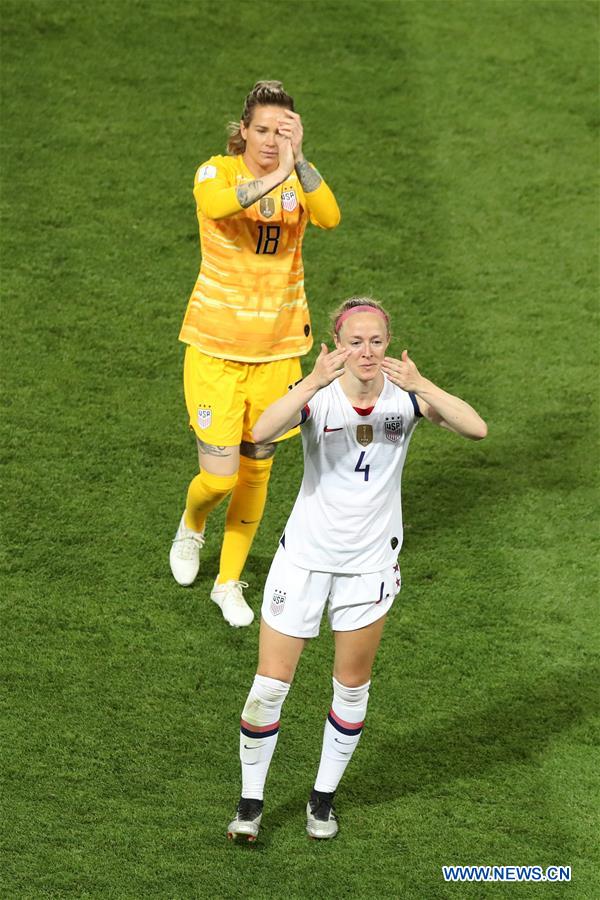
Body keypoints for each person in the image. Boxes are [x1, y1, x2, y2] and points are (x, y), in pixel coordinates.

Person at [226, 297, 487, 841]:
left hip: (369, 568)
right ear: (337, 345)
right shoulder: (318, 399)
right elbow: (262, 432)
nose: (365, 352)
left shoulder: (405, 399)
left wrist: (424, 385)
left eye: (375, 341)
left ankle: (321, 801)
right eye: (354, 342)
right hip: (302, 562)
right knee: (269, 688)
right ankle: (250, 805)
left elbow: (476, 428)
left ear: (388, 344)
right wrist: (311, 382)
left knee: (350, 687)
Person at [169, 81, 340, 628]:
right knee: (218, 478)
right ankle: (193, 524)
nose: (271, 139)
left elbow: (331, 216)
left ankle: (228, 581)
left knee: (257, 468)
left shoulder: (298, 178)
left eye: (282, 131)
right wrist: (275, 174)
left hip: (279, 352)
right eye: (263, 130)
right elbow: (219, 205)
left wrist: (301, 161)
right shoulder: (215, 172)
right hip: (216, 350)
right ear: (243, 130)